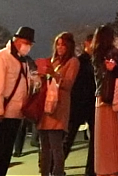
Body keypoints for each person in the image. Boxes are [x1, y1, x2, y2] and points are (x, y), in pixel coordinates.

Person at [0, 26, 37, 176]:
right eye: (26, 42)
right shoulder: (1, 57)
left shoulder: (23, 61)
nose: (28, 47)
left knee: (4, 156)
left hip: (16, 114)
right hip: (2, 115)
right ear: (16, 40)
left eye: (30, 44)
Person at [39, 32, 80, 176]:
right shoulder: (53, 61)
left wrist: (54, 74)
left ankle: (58, 173)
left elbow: (68, 84)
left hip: (58, 107)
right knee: (44, 146)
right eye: (58, 44)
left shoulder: (73, 62)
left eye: (63, 44)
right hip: (45, 107)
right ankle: (44, 173)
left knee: (56, 146)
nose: (60, 47)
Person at [92, 24, 118, 176]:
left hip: (100, 98)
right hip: (114, 98)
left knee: (102, 138)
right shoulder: (115, 54)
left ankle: (103, 169)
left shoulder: (95, 55)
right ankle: (114, 167)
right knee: (114, 136)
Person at [65, 33, 96, 176]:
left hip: (90, 103)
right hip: (79, 103)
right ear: (87, 43)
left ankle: (91, 169)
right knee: (69, 136)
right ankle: (54, 165)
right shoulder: (81, 61)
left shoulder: (94, 60)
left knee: (94, 140)